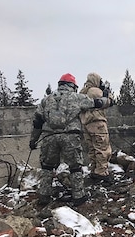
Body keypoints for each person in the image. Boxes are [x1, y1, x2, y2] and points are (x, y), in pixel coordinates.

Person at [29, 73, 114, 206]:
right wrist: (108, 98)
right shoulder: (76, 97)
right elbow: (97, 103)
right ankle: (78, 196)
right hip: (70, 137)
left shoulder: (46, 100)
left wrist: (33, 140)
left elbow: (37, 122)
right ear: (72, 86)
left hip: (49, 137)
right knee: (75, 167)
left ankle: (44, 195)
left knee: (47, 167)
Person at [79, 73, 113, 184]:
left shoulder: (82, 92)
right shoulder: (95, 91)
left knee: (92, 149)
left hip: (86, 125)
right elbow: (109, 102)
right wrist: (107, 94)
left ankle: (94, 170)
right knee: (102, 148)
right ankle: (101, 173)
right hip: (97, 123)